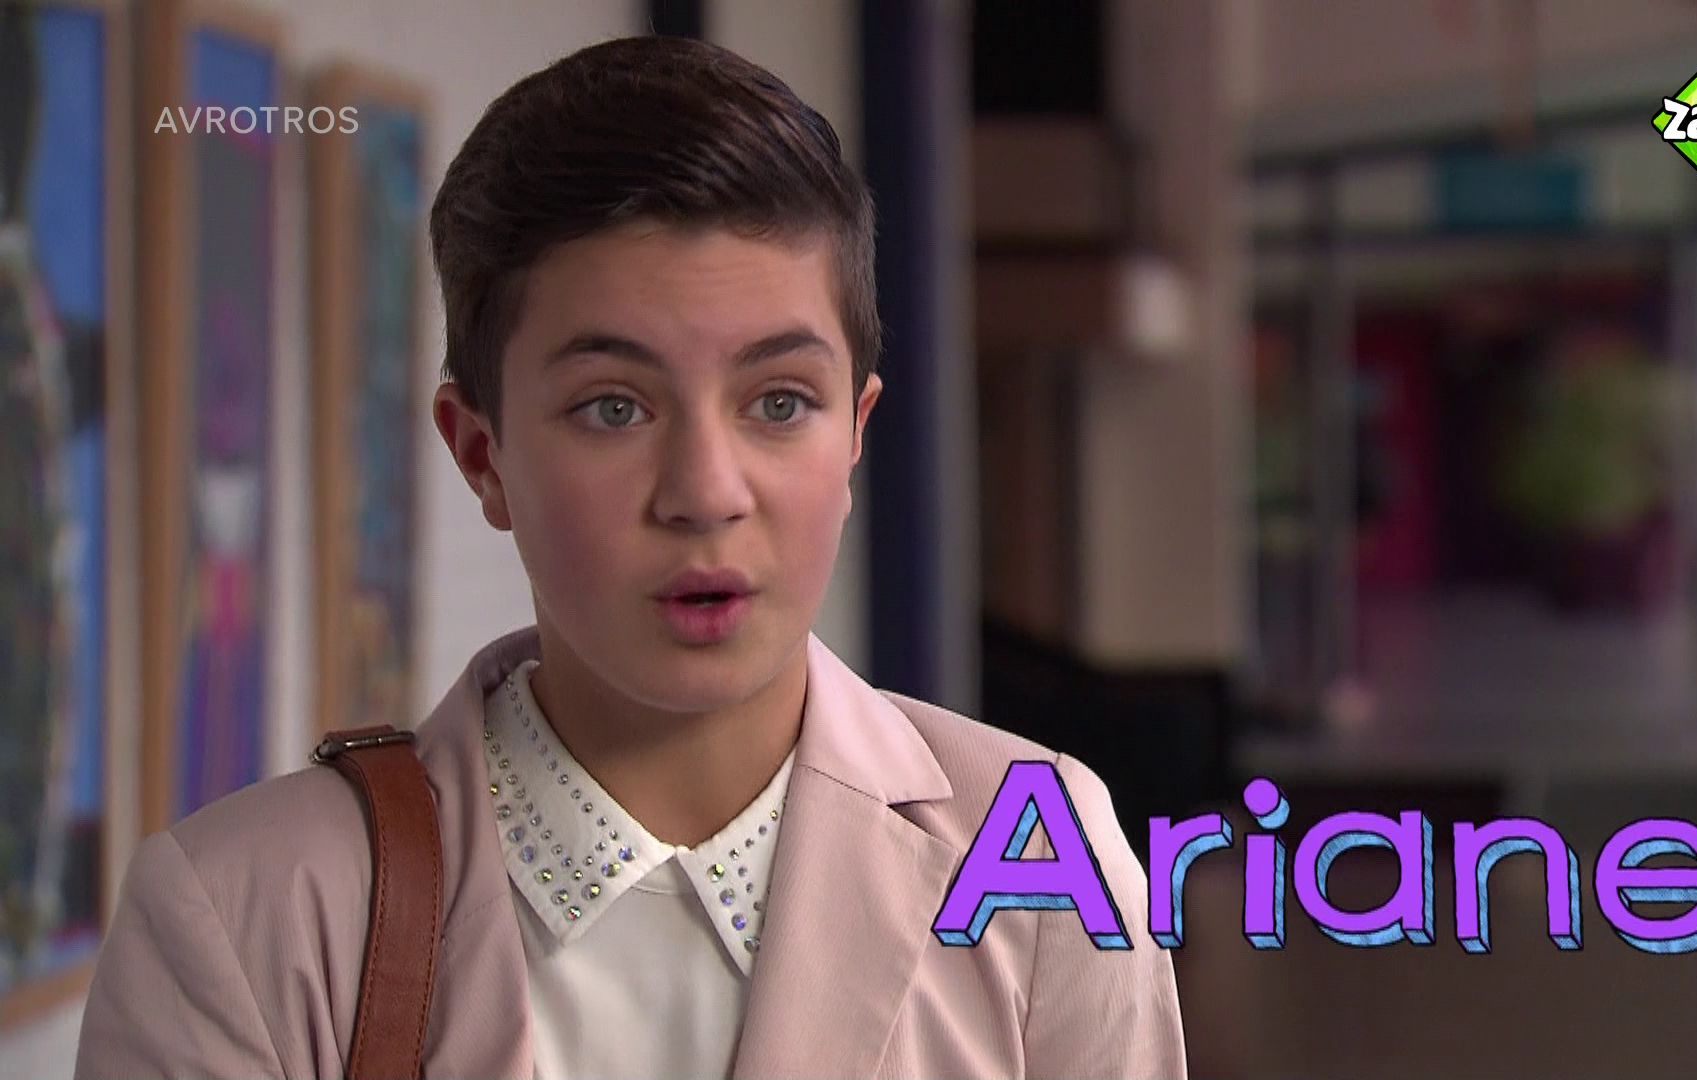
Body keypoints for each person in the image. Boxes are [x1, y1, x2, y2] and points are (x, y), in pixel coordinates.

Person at [75, 34, 1185, 1079]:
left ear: (856, 433)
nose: (705, 492)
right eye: (614, 407)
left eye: (780, 402)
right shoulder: (245, 916)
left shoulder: (1038, 857)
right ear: (481, 453)